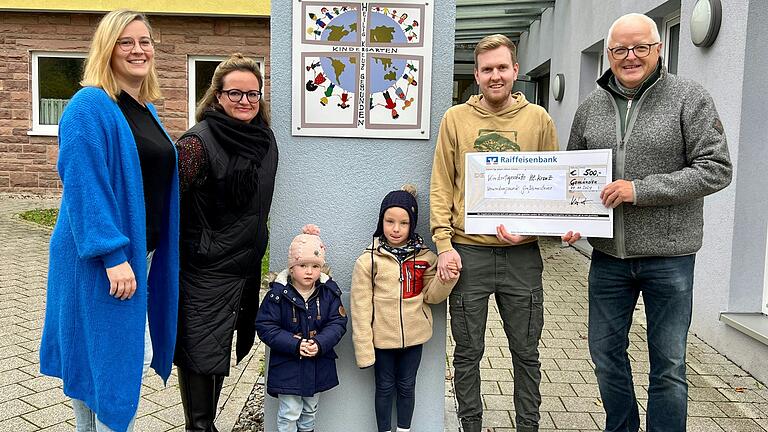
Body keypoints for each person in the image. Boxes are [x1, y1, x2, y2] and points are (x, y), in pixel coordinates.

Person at [564, 13, 732, 432]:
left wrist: (640, 190)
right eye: (620, 49)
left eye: (641, 47)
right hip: (608, 258)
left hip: (669, 258)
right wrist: (571, 220)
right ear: (609, 54)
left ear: (658, 49)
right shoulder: (590, 107)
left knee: (669, 365)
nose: (631, 56)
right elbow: (572, 173)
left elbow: (716, 168)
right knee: (604, 354)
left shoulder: (689, 98)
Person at [39, 9, 179, 432]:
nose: (139, 49)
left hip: (140, 254)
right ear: (108, 48)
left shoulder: (143, 108)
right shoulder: (90, 105)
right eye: (126, 41)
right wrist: (112, 255)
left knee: (100, 362)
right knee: (111, 364)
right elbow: (84, 183)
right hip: (102, 260)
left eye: (145, 41)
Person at [430, 34, 558, 432]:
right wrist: (444, 244)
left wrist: (539, 230)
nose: (495, 75)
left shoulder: (539, 120)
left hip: (522, 257)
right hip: (469, 254)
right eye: (487, 69)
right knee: (468, 353)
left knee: (526, 352)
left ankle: (528, 426)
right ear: (477, 74)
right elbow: (441, 185)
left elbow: (552, 186)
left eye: (503, 67)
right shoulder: (456, 119)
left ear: (516, 70)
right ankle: (471, 425)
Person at [174, 53, 278, 432]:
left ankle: (209, 425)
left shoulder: (263, 139)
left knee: (218, 353)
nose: (246, 101)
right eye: (236, 93)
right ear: (217, 96)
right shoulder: (196, 144)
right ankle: (198, 427)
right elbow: (169, 205)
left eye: (253, 94)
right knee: (201, 353)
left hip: (244, 268)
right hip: (205, 270)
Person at [351, 185, 458, 432]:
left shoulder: (425, 257)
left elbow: (432, 296)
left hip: (414, 337)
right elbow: (360, 307)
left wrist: (447, 278)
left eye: (403, 223)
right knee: (384, 387)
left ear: (412, 224)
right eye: (390, 221)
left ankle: (404, 429)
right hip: (382, 339)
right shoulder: (369, 260)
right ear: (381, 221)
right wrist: (364, 348)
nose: (396, 229)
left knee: (407, 386)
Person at [255, 225, 348, 432]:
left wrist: (320, 343)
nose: (309, 271)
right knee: (290, 412)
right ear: (291, 267)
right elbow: (265, 326)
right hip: (288, 364)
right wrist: (295, 344)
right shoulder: (278, 295)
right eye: (303, 265)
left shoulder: (328, 293)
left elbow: (338, 322)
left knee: (309, 411)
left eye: (315, 266)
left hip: (318, 363)